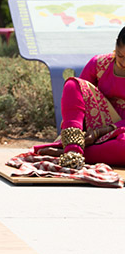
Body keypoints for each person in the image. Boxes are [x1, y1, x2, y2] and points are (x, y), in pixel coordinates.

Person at [37, 25, 125, 169]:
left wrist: (100, 132)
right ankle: (73, 149)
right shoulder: (99, 64)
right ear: (115, 45)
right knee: (72, 84)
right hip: (93, 125)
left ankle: (70, 154)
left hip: (119, 131)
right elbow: (78, 94)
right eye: (120, 56)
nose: (123, 63)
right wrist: (88, 132)